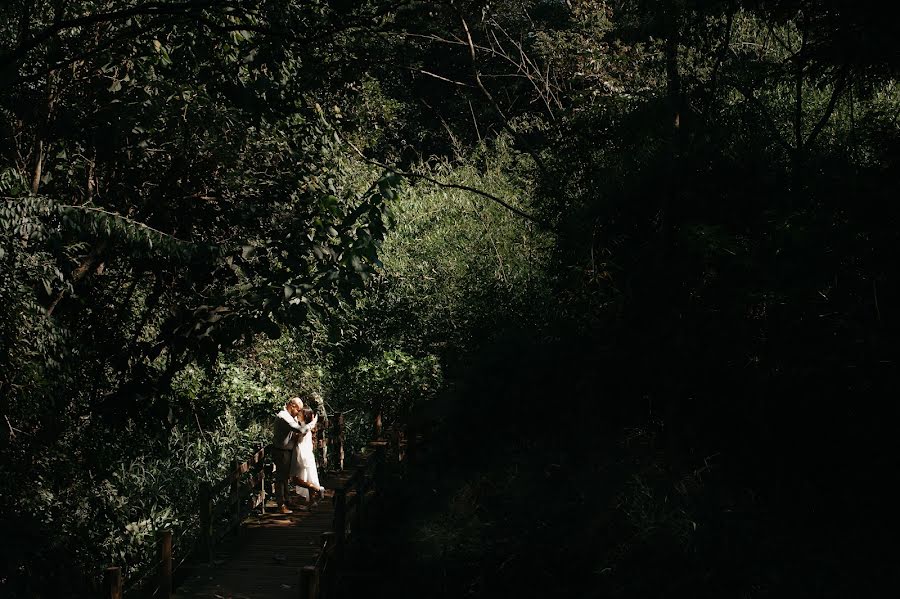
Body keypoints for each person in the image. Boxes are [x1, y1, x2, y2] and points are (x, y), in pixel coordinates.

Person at [271, 397, 317, 514]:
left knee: (285, 478)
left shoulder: (290, 417)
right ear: (292, 406)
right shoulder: (284, 417)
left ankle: (287, 501)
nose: (299, 413)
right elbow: (300, 430)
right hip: (281, 452)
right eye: (298, 410)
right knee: (281, 479)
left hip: (286, 451)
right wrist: (312, 424)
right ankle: (281, 505)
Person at [291, 407, 326, 503]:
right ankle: (312, 502)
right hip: (306, 454)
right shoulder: (304, 426)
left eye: (300, 413)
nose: (298, 413)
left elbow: (296, 437)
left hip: (302, 455)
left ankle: (317, 489)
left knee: (295, 479)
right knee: (308, 477)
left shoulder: (304, 428)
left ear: (304, 416)